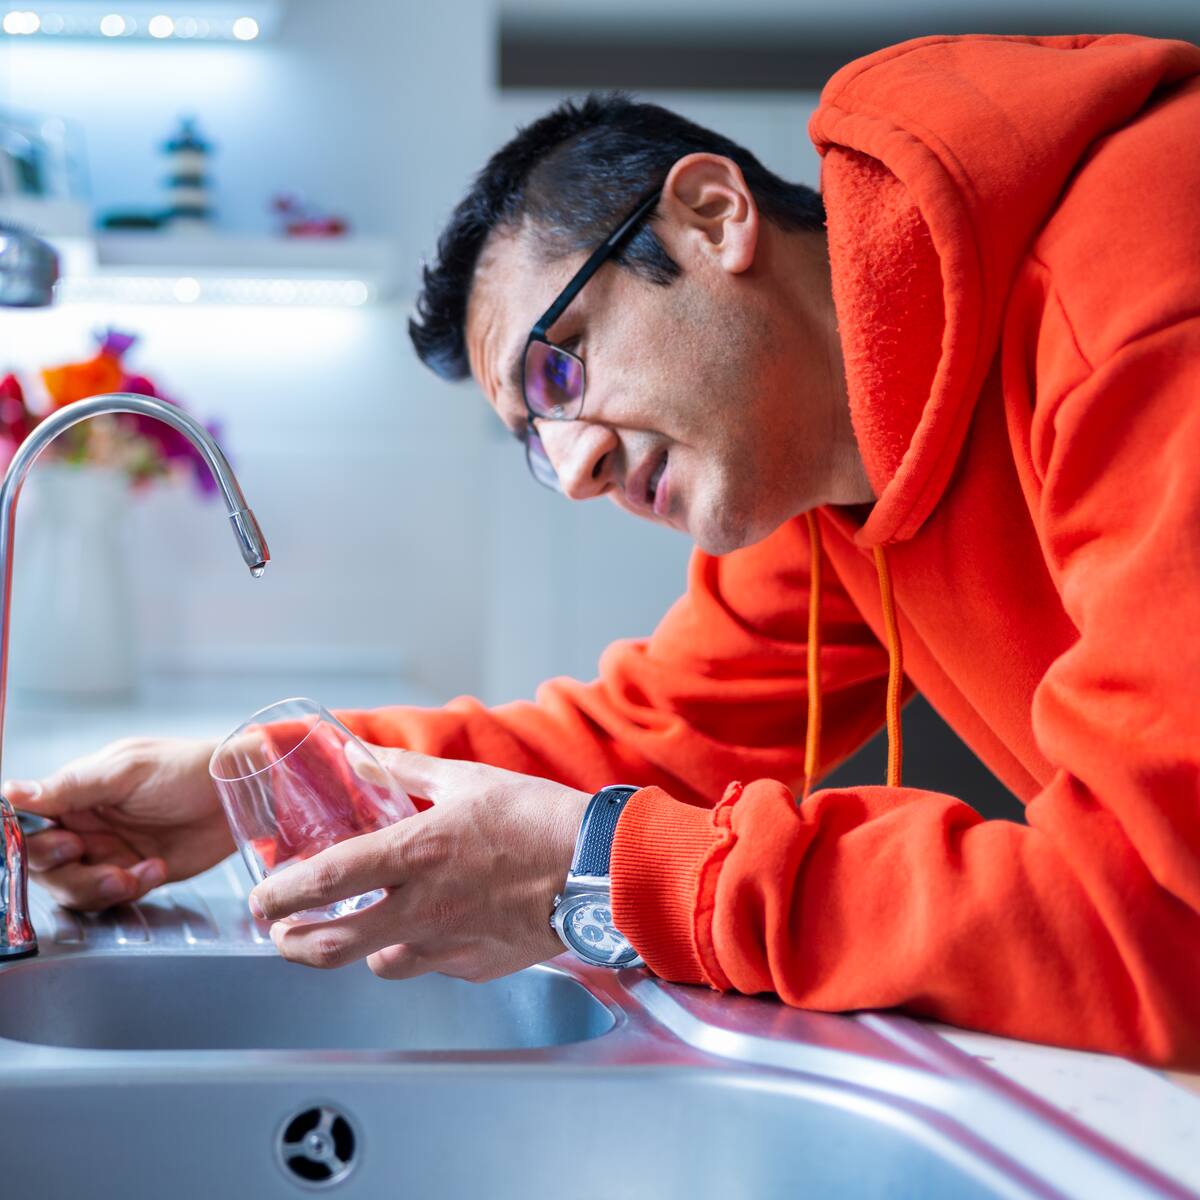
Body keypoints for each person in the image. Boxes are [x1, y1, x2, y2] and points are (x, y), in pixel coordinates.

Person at [7, 32, 1199, 1068]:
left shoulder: (1142, 291)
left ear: (711, 215)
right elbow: (638, 746)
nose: (576, 471)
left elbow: (1160, 919)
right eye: (537, 438)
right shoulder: (829, 485)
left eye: (560, 368)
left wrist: (601, 877)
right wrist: (263, 779)